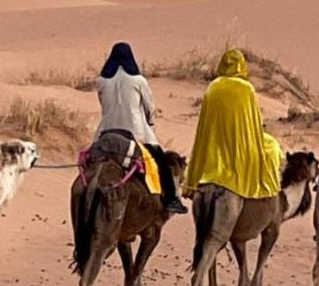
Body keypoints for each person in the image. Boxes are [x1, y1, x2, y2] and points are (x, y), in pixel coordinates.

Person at [93, 42, 186, 215]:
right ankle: (171, 200)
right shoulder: (138, 80)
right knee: (162, 164)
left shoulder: (101, 81)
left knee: (89, 163)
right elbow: (149, 107)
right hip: (135, 134)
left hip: (106, 131)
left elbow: (103, 105)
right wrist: (150, 123)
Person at [184, 49, 281, 199]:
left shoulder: (213, 87)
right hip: (238, 142)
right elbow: (253, 121)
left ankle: (192, 184)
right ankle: (269, 195)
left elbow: (205, 124)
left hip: (213, 143)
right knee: (271, 146)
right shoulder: (246, 88)